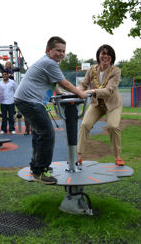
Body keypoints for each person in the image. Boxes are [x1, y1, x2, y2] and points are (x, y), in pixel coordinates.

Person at [14, 36, 88, 185]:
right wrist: (82, 94)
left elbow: (53, 82)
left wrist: (58, 92)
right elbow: (65, 82)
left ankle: (36, 167)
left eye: (63, 51)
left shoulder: (47, 62)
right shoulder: (49, 63)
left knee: (39, 133)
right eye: (58, 50)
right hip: (29, 101)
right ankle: (41, 172)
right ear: (48, 50)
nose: (61, 54)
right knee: (47, 133)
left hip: (24, 100)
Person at [76, 44, 124, 166]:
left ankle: (118, 157)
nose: (105, 56)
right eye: (103, 53)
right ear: (98, 56)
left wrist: (92, 91)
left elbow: (109, 91)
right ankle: (79, 156)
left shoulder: (116, 71)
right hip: (96, 104)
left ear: (112, 57)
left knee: (113, 126)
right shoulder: (92, 69)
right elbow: (83, 84)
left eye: (108, 54)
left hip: (112, 105)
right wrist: (77, 90)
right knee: (85, 125)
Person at [0, 70, 18, 134]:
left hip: (11, 102)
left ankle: (12, 129)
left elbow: (16, 91)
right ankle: (3, 129)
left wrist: (16, 100)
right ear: (2, 75)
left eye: (6, 74)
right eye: (3, 74)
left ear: (8, 75)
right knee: (3, 117)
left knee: (11, 116)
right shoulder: (0, 83)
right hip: (3, 102)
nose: (4, 75)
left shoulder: (12, 82)